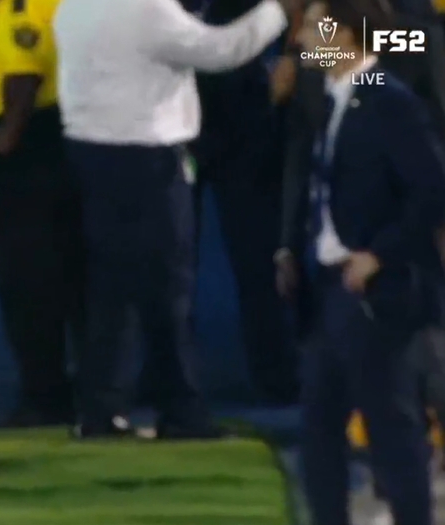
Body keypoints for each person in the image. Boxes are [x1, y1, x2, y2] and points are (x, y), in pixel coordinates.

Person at [246, 0, 445, 525]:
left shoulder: (387, 85)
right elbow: (313, 169)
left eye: (313, 27)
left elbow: (435, 184)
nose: (300, 37)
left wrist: (381, 255)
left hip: (377, 293)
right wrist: (296, 246)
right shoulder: (337, 93)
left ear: (342, 32)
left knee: (396, 427)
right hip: (328, 285)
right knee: (319, 426)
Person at [53, 0, 293, 439]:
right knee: (166, 286)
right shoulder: (147, 8)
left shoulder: (72, 7)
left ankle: (101, 410)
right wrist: (278, 11)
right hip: (148, 158)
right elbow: (223, 51)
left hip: (92, 153)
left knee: (111, 286)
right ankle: (180, 410)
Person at [0, 0, 83, 426]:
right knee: (68, 277)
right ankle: (79, 390)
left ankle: (43, 396)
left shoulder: (21, 7)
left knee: (28, 282)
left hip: (26, 152)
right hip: (54, 143)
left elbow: (23, 72)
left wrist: (6, 135)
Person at [190, 0, 298, 404]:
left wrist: (297, 60)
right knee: (165, 266)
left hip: (248, 123)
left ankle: (277, 377)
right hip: (171, 120)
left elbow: (311, 14)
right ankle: (167, 382)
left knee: (258, 261)